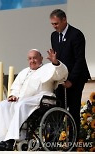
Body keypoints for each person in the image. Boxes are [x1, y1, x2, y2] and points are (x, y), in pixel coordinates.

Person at [0, 49, 68, 151]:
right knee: (3, 105)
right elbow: (16, 88)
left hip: (42, 98)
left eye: (35, 58)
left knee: (22, 104)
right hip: (24, 100)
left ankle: (10, 141)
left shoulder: (48, 68)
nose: (32, 61)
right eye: (30, 58)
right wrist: (13, 95)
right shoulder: (24, 72)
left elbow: (61, 74)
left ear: (41, 58)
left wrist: (55, 62)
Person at [49, 9, 91, 139]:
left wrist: (71, 80)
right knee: (58, 108)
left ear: (64, 20)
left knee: (73, 109)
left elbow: (79, 59)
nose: (54, 26)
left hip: (76, 77)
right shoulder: (54, 36)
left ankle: (73, 141)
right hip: (61, 78)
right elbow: (59, 58)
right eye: (52, 24)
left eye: (56, 23)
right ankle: (53, 141)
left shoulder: (76, 34)